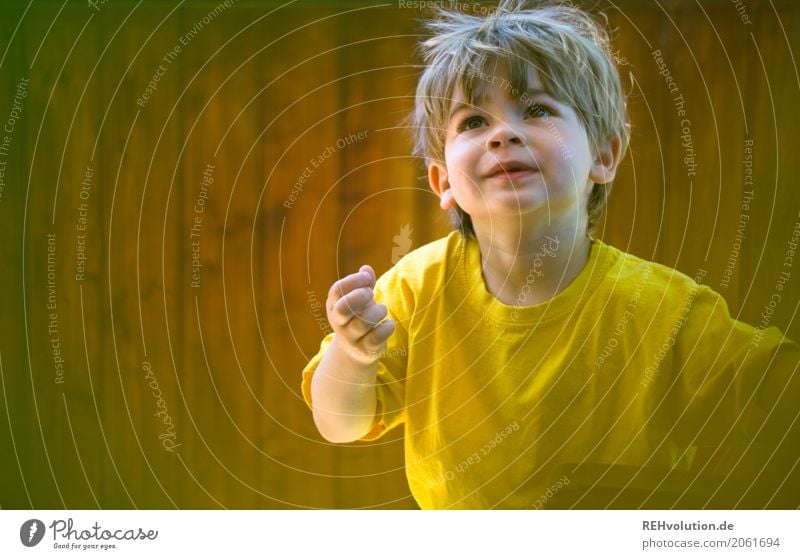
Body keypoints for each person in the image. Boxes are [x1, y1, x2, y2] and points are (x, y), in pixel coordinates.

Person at [300, 0, 800, 508]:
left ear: (603, 156)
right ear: (443, 180)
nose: (503, 134)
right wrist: (353, 354)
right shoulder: (412, 289)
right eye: (473, 121)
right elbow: (338, 425)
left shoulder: (667, 313)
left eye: (537, 110)